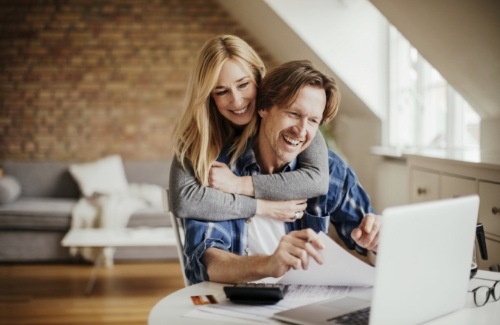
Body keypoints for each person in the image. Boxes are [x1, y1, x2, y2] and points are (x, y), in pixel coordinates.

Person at [183, 60, 380, 285]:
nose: (302, 131)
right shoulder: (219, 172)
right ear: (263, 107)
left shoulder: (330, 169)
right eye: (293, 113)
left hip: (305, 305)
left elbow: (370, 243)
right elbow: (210, 263)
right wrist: (268, 264)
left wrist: (377, 243)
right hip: (236, 306)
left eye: (313, 121)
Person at [169, 35, 330, 223]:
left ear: (257, 76)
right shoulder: (198, 134)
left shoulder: (285, 116)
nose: (237, 101)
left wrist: (238, 185)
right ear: (208, 96)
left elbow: (317, 180)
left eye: (243, 85)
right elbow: (184, 200)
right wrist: (262, 207)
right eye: (222, 91)